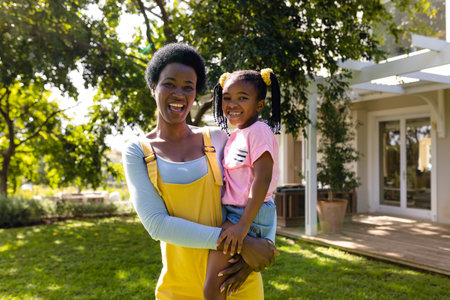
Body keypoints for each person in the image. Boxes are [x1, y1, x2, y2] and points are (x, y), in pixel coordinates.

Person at [122, 43, 278, 300]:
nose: (178, 94)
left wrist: (264, 244)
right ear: (153, 87)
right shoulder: (138, 152)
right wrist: (241, 242)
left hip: (234, 281)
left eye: (188, 87)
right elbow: (157, 225)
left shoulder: (218, 138)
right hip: (178, 287)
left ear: (195, 94)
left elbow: (260, 185)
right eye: (169, 84)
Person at [203, 69, 281, 299]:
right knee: (227, 281)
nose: (232, 103)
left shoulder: (259, 131)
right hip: (239, 214)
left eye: (242, 97)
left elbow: (263, 179)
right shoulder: (237, 135)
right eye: (227, 97)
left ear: (260, 105)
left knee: (212, 288)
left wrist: (242, 227)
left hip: (245, 215)